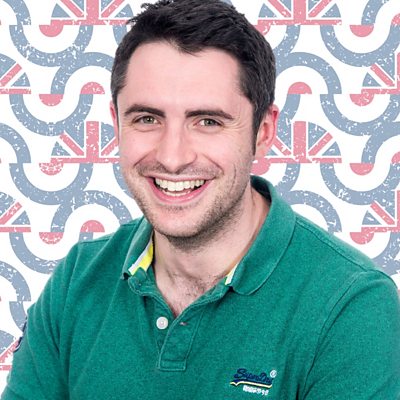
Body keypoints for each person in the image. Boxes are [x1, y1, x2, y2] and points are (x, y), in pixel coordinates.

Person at [2, 0, 400, 398]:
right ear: (116, 123)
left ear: (263, 132)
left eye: (207, 121)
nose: (172, 157)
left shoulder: (352, 305)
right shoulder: (77, 279)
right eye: (147, 119)